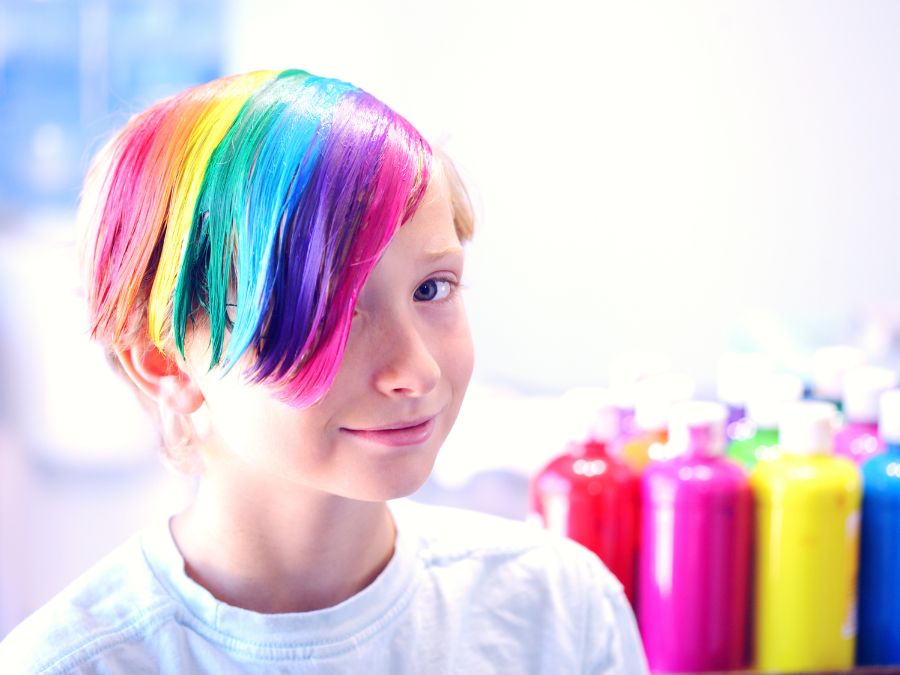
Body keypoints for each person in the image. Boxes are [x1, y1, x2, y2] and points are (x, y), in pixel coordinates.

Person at [0, 68, 648, 674]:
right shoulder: (73, 662)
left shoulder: (555, 611)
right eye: (330, 311)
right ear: (169, 362)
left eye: (431, 289)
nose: (415, 371)